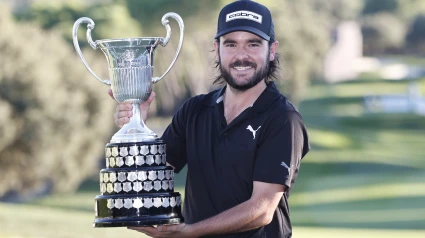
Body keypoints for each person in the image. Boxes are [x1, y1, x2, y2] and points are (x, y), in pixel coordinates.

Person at [110, 1, 309, 237]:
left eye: (253, 44)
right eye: (231, 44)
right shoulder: (194, 110)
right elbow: (152, 178)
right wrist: (136, 127)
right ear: (217, 48)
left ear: (272, 49)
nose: (241, 56)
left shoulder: (282, 118)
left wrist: (190, 232)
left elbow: (262, 209)